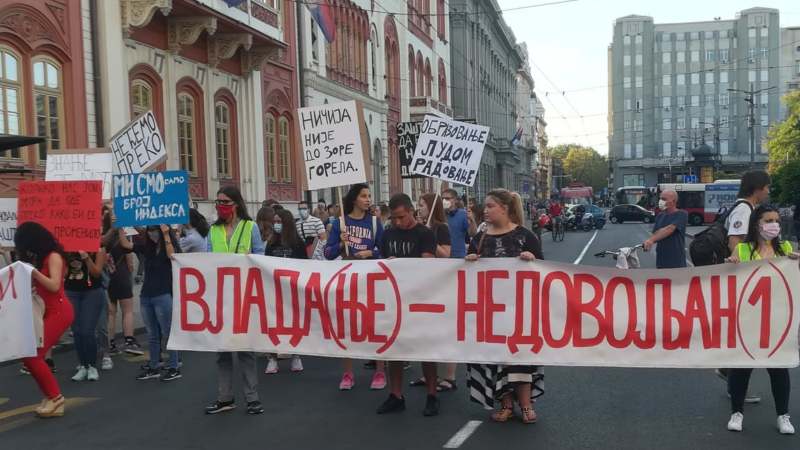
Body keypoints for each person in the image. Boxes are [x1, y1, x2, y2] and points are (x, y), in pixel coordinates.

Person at [465, 189, 544, 424]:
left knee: (520, 356)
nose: (485, 210)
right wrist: (469, 262)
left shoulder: (525, 236)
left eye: (490, 206)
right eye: (485, 206)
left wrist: (533, 260)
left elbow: (545, 269)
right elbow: (467, 273)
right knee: (495, 357)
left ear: (504, 208)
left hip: (519, 309)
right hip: (488, 309)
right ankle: (506, 404)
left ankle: (527, 405)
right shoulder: (479, 238)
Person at [724, 204, 795, 434]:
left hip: (778, 320)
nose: (773, 225)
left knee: (778, 368)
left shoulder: (785, 249)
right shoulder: (743, 249)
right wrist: (730, 266)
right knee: (742, 368)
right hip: (748, 320)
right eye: (768, 220)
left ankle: (783, 416)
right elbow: (728, 279)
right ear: (757, 224)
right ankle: (737, 413)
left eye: (776, 220)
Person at [375, 193, 440, 417]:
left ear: (411, 211)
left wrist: (400, 264)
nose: (398, 222)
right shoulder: (388, 234)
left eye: (401, 217)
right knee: (395, 348)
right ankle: (396, 395)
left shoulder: (425, 233)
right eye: (394, 218)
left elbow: (427, 264)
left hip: (421, 300)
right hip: (395, 299)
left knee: (425, 349)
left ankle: (432, 395)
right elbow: (382, 263)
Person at [205, 186, 266, 415]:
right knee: (222, 352)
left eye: (225, 201)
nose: (221, 205)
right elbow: (204, 262)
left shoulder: (250, 228)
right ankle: (225, 397)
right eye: (218, 201)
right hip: (221, 299)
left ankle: (252, 398)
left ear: (236, 204)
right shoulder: (212, 232)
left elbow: (260, 257)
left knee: (245, 351)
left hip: (244, 298)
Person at [325, 183, 386, 391]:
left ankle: (379, 370)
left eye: (369, 195)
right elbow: (328, 254)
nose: (368, 199)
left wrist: (371, 253)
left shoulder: (376, 223)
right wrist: (341, 243)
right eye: (363, 196)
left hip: (371, 279)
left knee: (374, 324)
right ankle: (348, 372)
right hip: (348, 279)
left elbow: (384, 249)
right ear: (354, 199)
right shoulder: (340, 222)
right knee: (347, 325)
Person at [716, 170, 770, 398]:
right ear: (757, 188)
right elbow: (735, 242)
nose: (768, 191)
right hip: (743, 280)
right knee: (746, 332)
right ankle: (735, 382)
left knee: (745, 332)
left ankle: (731, 375)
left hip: (744, 280)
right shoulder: (743, 210)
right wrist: (749, 270)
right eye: (767, 187)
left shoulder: (748, 209)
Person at [15, 222, 75, 417]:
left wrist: (33, 273)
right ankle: (50, 396)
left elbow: (54, 285)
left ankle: (56, 398)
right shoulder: (44, 258)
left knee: (33, 355)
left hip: (59, 311)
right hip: (47, 311)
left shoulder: (54, 257)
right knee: (29, 355)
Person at [135, 224, 182, 381]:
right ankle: (154, 366)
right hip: (146, 295)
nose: (152, 234)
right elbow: (126, 245)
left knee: (168, 333)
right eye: (150, 231)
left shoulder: (169, 246)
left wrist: (167, 234)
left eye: (155, 230)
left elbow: (172, 256)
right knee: (152, 335)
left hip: (163, 295)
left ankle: (174, 366)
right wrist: (120, 227)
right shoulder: (148, 248)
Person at [264, 209, 307, 374]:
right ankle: (272, 358)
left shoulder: (297, 243)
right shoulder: (271, 243)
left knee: (294, 323)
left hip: (293, 290)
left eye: (279, 222)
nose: (276, 225)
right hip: (274, 290)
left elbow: (305, 265)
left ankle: (296, 355)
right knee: (273, 323)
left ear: (287, 223)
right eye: (275, 222)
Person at [101, 214, 142, 373]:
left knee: (111, 312)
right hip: (122, 275)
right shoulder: (122, 234)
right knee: (128, 310)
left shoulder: (104, 235)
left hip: (108, 276)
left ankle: (110, 343)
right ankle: (129, 340)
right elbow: (130, 260)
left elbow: (102, 244)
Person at [65, 238, 108, 382]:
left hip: (93, 292)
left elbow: (97, 273)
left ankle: (92, 366)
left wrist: (86, 257)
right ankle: (83, 365)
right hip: (71, 291)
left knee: (87, 330)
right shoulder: (65, 245)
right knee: (77, 331)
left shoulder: (99, 246)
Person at [643, 190, 688, 269]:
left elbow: (670, 229)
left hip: (676, 261)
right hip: (661, 260)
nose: (660, 201)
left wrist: (651, 240)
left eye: (664, 199)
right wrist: (649, 242)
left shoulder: (682, 214)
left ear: (673, 201)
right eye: (660, 199)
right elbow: (656, 233)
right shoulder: (660, 215)